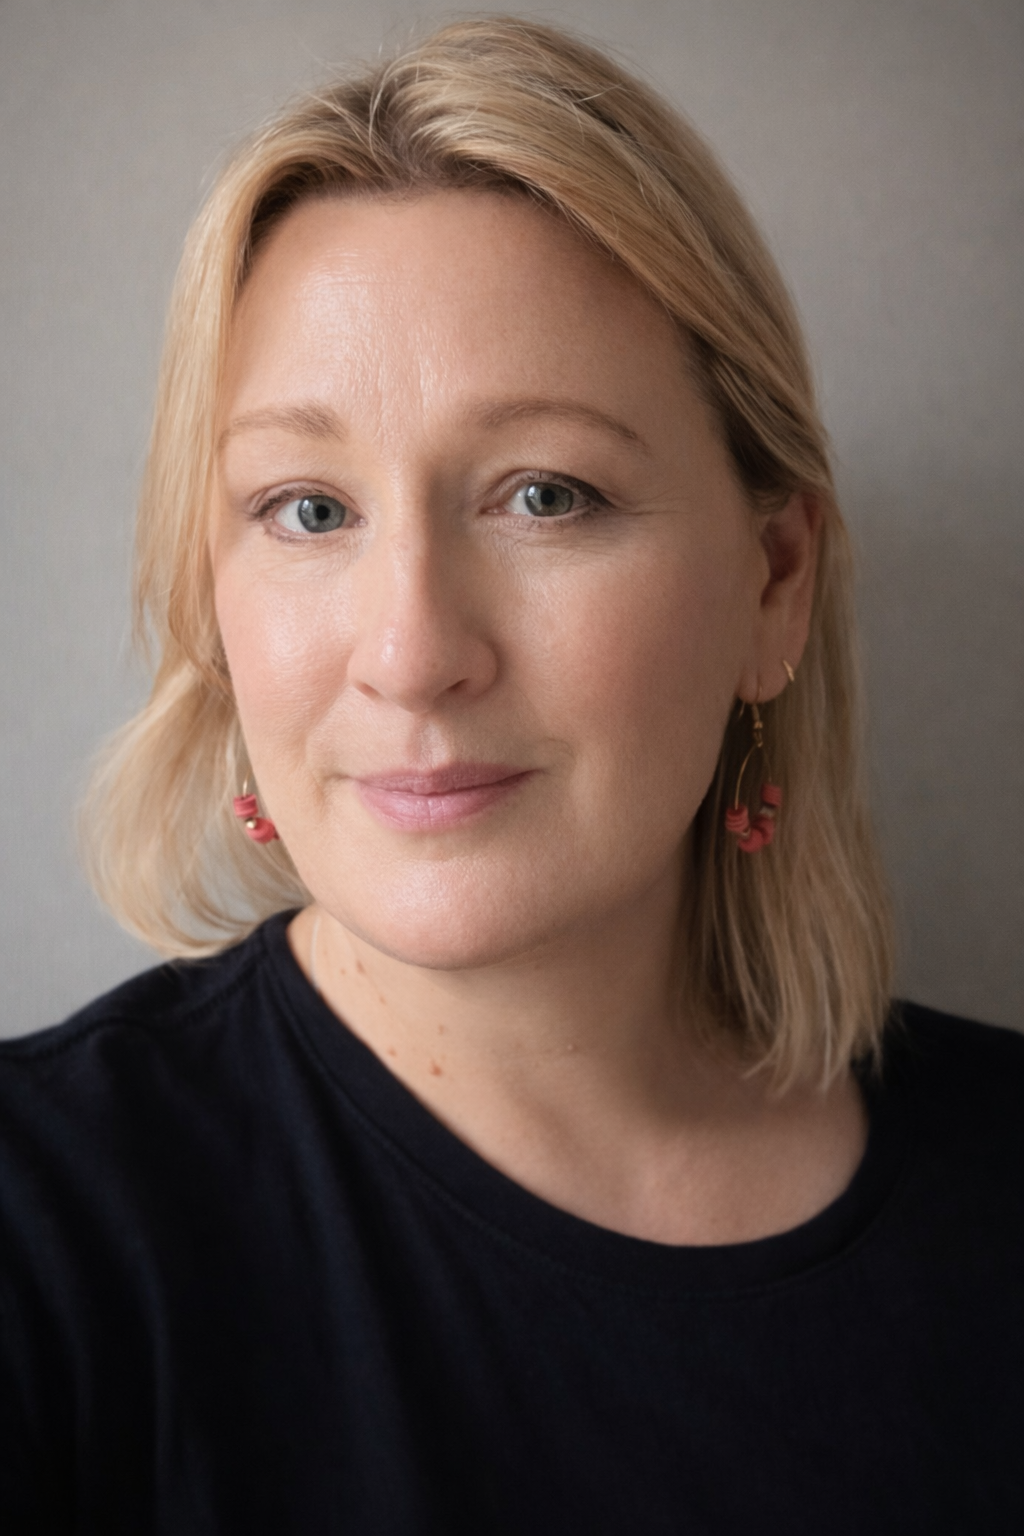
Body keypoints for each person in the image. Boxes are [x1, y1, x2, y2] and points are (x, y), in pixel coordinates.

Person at [1, 16, 1020, 1533]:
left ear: (774, 583)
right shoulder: (40, 1239)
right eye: (305, 508)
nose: (412, 654)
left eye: (545, 494)